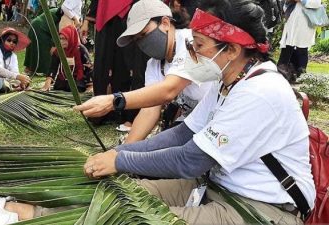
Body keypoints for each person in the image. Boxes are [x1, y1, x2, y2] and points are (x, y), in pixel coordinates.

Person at [79, 0, 316, 224]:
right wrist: (118, 151)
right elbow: (182, 133)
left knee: (128, 218)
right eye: (192, 43)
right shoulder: (226, 82)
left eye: (199, 45)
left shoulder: (259, 91)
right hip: (217, 187)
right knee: (118, 198)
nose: (192, 53)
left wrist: (121, 160)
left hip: (258, 207)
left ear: (232, 50)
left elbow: (190, 160)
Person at [115, 0, 211, 141]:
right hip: (193, 122)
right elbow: (150, 109)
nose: (142, 43)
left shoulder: (191, 42)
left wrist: (114, 101)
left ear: (165, 23)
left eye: (144, 34)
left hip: (217, 121)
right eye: (137, 40)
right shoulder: (154, 64)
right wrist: (123, 151)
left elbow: (168, 90)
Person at [80, 0, 150, 126]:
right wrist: (86, 21)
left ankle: (125, 113)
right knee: (102, 65)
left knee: (126, 66)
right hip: (107, 19)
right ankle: (100, 112)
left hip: (132, 16)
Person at [277, 0, 320, 83]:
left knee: (301, 49)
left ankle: (300, 75)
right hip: (291, 25)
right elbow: (285, 7)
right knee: (287, 48)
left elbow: (316, 4)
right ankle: (282, 74)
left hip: (304, 25)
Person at [40, 25, 85, 92]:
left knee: (76, 89)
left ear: (71, 38)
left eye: (64, 39)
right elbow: (53, 68)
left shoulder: (80, 49)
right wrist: (47, 82)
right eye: (60, 38)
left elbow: (89, 67)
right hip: (63, 80)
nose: (61, 41)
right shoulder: (58, 51)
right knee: (59, 88)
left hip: (78, 79)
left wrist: (91, 85)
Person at [24, 7, 64, 74]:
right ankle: (45, 71)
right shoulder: (62, 14)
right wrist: (54, 44)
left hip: (35, 24)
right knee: (45, 50)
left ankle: (30, 69)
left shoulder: (58, 10)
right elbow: (58, 30)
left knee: (33, 48)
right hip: (41, 28)